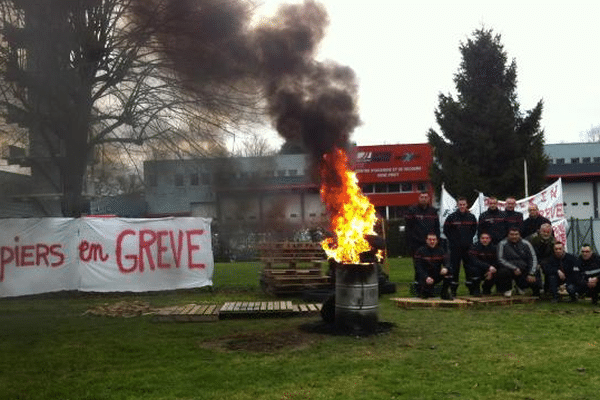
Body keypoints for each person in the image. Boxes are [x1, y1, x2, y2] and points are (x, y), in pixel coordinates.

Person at [443, 197, 477, 296]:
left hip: (468, 248)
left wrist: (467, 240)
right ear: (457, 205)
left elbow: (474, 230)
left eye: (464, 204)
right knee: (454, 269)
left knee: (469, 268)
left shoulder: (471, 217)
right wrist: (453, 240)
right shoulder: (451, 217)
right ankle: (453, 290)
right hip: (455, 248)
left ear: (467, 205)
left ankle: (471, 288)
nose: (462, 206)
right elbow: (446, 230)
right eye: (460, 204)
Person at [497, 226, 541, 297]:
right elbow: (500, 259)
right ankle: (507, 289)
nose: (514, 236)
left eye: (516, 234)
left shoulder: (526, 243)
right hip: (509, 268)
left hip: (523, 268)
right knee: (502, 272)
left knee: (536, 271)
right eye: (511, 234)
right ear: (508, 235)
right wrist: (514, 268)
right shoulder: (502, 244)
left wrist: (531, 273)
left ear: (520, 235)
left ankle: (524, 288)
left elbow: (533, 258)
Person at [405, 192, 440, 281]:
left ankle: (430, 284)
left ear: (428, 199)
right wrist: (410, 243)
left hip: (431, 244)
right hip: (417, 243)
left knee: (431, 264)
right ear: (418, 198)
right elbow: (408, 228)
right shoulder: (412, 211)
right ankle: (418, 285)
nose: (423, 199)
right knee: (418, 265)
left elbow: (437, 228)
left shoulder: (433, 211)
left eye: (425, 197)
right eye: (422, 197)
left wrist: (437, 241)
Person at [414, 233, 453, 300]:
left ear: (437, 241)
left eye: (434, 240)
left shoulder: (441, 250)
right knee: (425, 294)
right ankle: (424, 292)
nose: (432, 241)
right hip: (424, 276)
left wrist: (445, 268)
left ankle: (444, 292)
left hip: (436, 273)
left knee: (449, 272)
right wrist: (426, 277)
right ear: (426, 240)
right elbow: (418, 267)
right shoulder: (420, 251)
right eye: (430, 240)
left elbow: (447, 262)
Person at [468, 232, 498, 296]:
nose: (485, 240)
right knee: (474, 270)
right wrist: (488, 267)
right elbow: (474, 261)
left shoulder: (494, 248)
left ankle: (487, 289)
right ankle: (476, 289)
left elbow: (496, 261)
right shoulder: (474, 247)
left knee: (497, 271)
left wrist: (490, 270)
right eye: (483, 238)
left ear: (490, 239)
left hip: (490, 269)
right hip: (478, 268)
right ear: (479, 239)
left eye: (487, 238)